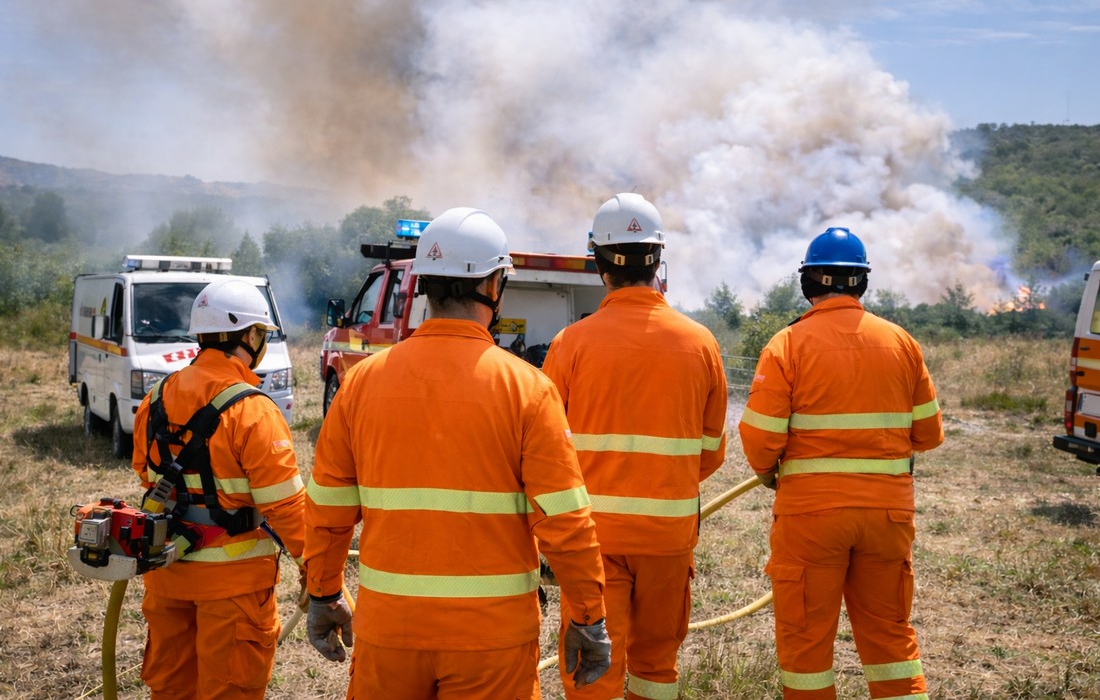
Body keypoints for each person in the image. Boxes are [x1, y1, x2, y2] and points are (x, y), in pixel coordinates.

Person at [303, 206, 611, 699]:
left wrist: (322, 593)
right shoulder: (528, 390)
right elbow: (565, 522)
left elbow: (327, 511)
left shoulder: (360, 384)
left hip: (389, 633)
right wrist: (588, 615)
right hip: (492, 642)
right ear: (494, 287)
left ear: (422, 284)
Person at [738, 226, 944, 699]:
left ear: (809, 282)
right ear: (862, 283)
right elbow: (928, 435)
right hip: (888, 519)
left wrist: (772, 472)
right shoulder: (902, 344)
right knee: (891, 639)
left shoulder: (787, 345)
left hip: (811, 519)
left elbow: (759, 441)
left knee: (807, 644)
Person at [542, 192, 728, 700]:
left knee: (593, 665)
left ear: (598, 262)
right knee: (655, 665)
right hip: (668, 539)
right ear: (658, 259)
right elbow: (711, 452)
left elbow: (545, 454)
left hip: (591, 540)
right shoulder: (701, 344)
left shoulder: (570, 345)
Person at [131, 279, 307, 699]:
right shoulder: (253, 410)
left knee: (172, 691)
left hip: (167, 578)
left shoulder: (156, 398)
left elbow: (146, 476)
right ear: (249, 336)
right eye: (261, 334)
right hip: (234, 589)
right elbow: (287, 506)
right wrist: (316, 570)